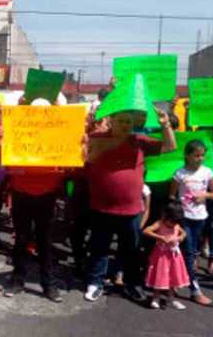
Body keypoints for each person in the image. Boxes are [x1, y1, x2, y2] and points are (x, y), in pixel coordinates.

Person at [84, 109, 176, 303]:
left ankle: (132, 284)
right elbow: (80, 153)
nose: (126, 125)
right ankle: (95, 283)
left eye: (129, 121)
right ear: (111, 121)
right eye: (122, 121)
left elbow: (170, 147)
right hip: (102, 208)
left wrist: (165, 124)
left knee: (132, 251)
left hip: (131, 210)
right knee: (99, 248)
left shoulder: (139, 140)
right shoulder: (97, 138)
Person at [3, 99, 66, 303]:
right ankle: (17, 280)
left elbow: (70, 164)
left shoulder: (58, 136)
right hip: (21, 194)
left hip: (47, 196)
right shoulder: (17, 132)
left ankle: (48, 285)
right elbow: (5, 164)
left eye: (44, 113)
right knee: (21, 240)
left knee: (44, 242)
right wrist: (3, 141)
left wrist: (79, 147)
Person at [169, 139, 213, 307]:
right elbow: (172, 197)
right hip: (184, 218)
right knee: (188, 253)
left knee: (190, 252)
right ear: (187, 156)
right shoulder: (180, 174)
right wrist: (175, 214)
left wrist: (204, 196)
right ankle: (195, 290)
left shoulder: (207, 172)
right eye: (196, 155)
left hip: (200, 217)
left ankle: (173, 282)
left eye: (202, 155)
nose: (200, 159)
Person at [143, 200, 190, 310]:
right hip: (161, 255)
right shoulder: (160, 223)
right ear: (165, 216)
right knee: (160, 274)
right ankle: (156, 297)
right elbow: (146, 231)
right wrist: (160, 238)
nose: (173, 224)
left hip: (174, 255)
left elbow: (184, 233)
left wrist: (180, 237)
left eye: (175, 222)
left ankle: (171, 298)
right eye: (171, 221)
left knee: (173, 275)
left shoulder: (176, 225)